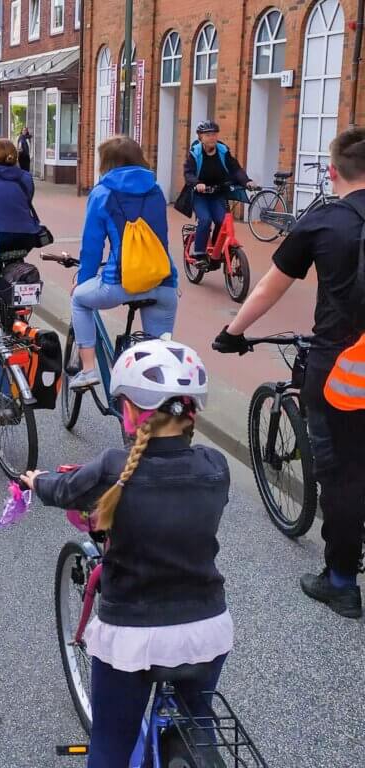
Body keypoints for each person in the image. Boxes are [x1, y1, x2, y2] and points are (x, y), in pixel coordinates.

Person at [20, 339, 230, 767]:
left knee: (110, 747)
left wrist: (35, 481)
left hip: (132, 636)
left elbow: (64, 491)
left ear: (132, 412)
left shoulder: (115, 467)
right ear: (191, 411)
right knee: (198, 722)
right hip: (206, 628)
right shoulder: (215, 466)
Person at [214, 127, 365, 619]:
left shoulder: (324, 221)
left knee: (341, 473)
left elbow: (269, 289)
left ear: (332, 171)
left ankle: (340, 581)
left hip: (344, 368)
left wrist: (233, 332)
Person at [69, 136, 178, 390]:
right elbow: (160, 238)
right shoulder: (156, 190)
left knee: (79, 300)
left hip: (120, 283)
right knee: (156, 354)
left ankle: (88, 370)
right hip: (163, 282)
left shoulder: (102, 193)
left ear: (107, 162)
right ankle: (155, 402)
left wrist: (83, 280)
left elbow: (92, 247)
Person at [184, 120, 258, 268]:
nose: (212, 137)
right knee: (205, 220)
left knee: (222, 221)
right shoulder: (195, 153)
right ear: (200, 137)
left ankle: (216, 252)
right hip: (201, 195)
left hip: (218, 193)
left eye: (214, 134)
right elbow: (189, 173)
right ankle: (199, 253)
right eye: (208, 134)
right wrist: (197, 183)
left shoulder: (223, 151)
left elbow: (235, 169)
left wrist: (247, 181)